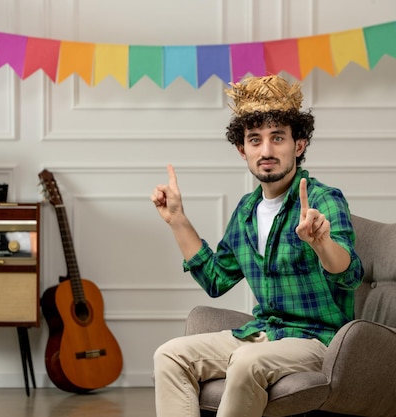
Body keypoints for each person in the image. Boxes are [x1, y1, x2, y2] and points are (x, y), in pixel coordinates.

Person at [150, 74, 364, 417]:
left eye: (277, 138)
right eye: (255, 140)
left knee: (247, 361)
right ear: (242, 149)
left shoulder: (323, 199)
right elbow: (216, 280)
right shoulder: (246, 212)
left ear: (299, 145)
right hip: (263, 332)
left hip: (316, 339)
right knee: (169, 354)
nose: (266, 151)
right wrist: (177, 219)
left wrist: (322, 244)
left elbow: (349, 274)